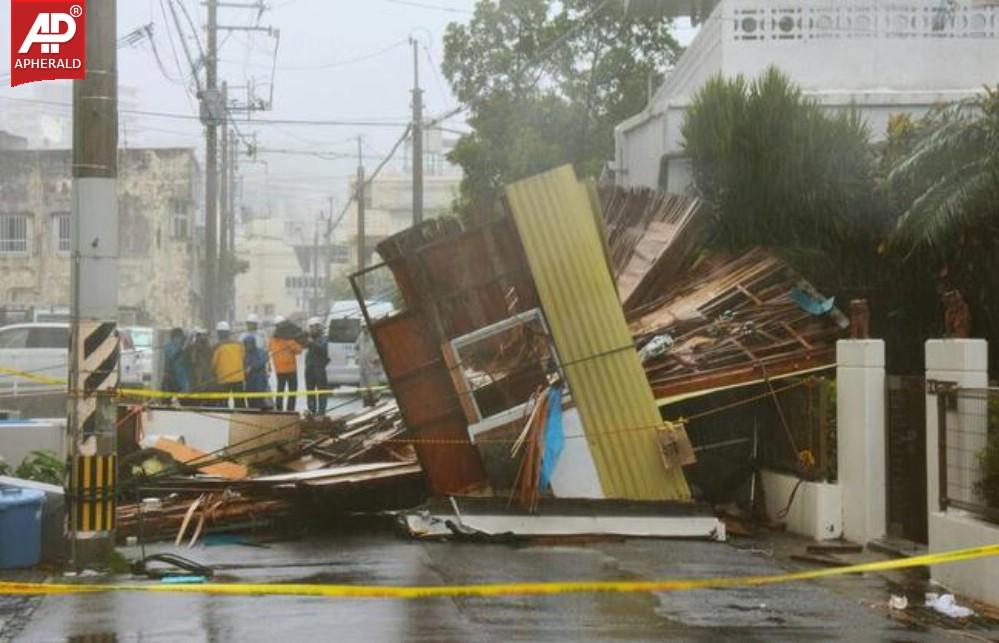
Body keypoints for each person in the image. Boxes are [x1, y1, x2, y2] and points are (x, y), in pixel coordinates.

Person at [269, 316, 305, 411]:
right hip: (290, 369)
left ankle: (279, 409)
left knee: (280, 391)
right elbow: (298, 350)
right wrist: (299, 342)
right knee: (292, 391)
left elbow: (271, 350)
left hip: (279, 370)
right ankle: (290, 409)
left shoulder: (273, 339)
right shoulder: (288, 338)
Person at [211, 321, 246, 409]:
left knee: (223, 404)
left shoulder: (218, 347)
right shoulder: (238, 344)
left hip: (223, 379)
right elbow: (243, 357)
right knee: (240, 403)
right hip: (238, 377)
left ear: (219, 333)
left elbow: (213, 363)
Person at [304, 316, 330, 415]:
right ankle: (311, 409)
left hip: (319, 368)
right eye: (311, 327)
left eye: (315, 327)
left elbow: (322, 350)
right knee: (310, 390)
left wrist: (312, 343)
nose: (313, 329)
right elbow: (302, 346)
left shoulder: (324, 339)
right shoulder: (309, 339)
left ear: (319, 327)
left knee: (322, 390)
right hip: (309, 368)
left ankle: (321, 411)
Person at [162, 327, 192, 404]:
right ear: (175, 337)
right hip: (172, 378)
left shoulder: (179, 347)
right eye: (180, 338)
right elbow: (174, 357)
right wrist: (183, 347)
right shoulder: (169, 347)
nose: (181, 340)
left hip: (182, 378)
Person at [242, 335, 272, 410]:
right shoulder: (243, 354)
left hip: (260, 380)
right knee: (251, 401)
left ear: (253, 343)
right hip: (249, 382)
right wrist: (244, 370)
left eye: (250, 343)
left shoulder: (261, 351)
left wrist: (252, 367)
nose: (248, 346)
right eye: (246, 344)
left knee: (261, 401)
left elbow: (264, 360)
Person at [186, 327, 214, 405]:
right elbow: (190, 356)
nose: (201, 338)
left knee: (206, 385)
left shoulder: (207, 347)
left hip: (206, 371)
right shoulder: (193, 346)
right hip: (196, 371)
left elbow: (211, 353)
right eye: (199, 335)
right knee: (198, 385)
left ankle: (204, 401)